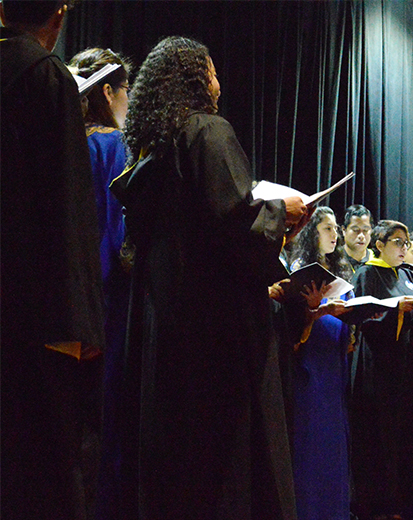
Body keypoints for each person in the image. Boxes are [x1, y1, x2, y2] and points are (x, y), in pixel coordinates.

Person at [110, 36, 309, 519]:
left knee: (175, 478)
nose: (219, 85)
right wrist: (282, 214)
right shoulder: (207, 133)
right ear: (194, 80)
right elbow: (237, 228)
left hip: (165, 340)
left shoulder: (149, 157)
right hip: (218, 341)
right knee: (229, 476)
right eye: (212, 73)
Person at [1, 2, 106, 519]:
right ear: (59, 16)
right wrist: (80, 323)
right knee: (41, 465)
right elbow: (68, 206)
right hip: (31, 307)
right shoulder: (47, 77)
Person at [67, 46, 134, 520]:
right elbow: (121, 242)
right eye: (126, 90)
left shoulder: (61, 144)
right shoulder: (113, 148)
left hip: (57, 311)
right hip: (106, 310)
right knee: (107, 431)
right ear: (108, 91)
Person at [349, 219, 413, 520]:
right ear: (379, 245)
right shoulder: (367, 272)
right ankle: (379, 508)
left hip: (410, 370)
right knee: (380, 439)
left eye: (406, 243)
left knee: (409, 438)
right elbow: (365, 320)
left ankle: (405, 504)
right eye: (397, 242)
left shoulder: (409, 274)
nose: (404, 248)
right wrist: (395, 311)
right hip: (380, 371)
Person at [288, 207, 354, 520]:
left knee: (334, 447)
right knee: (311, 443)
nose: (334, 235)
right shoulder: (301, 267)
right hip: (309, 366)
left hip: (334, 365)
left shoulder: (342, 270)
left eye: (335, 229)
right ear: (313, 232)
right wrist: (314, 312)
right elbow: (293, 327)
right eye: (327, 229)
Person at [342, 204, 374, 272]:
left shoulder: (378, 260)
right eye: (356, 230)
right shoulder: (333, 260)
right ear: (344, 230)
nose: (361, 236)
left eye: (365, 230)